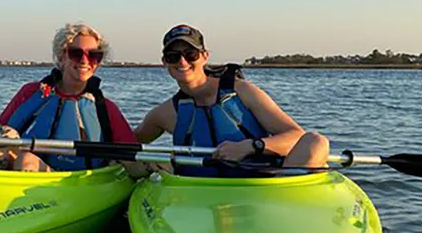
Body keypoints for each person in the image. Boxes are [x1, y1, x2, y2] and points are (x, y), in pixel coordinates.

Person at [134, 24, 329, 176]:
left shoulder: (242, 91)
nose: (182, 62)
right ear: (164, 62)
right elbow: (127, 141)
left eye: (190, 54)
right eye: (173, 56)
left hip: (259, 187)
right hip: (197, 193)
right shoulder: (164, 113)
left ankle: (284, 204)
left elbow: (295, 136)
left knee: (316, 142)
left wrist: (248, 147)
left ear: (204, 56)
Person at [0, 22, 141, 173]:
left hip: (73, 182)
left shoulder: (105, 109)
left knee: (27, 159)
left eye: (94, 55)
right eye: (76, 53)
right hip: (24, 170)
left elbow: (131, 156)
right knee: (5, 135)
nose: (85, 61)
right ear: (61, 56)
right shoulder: (31, 93)